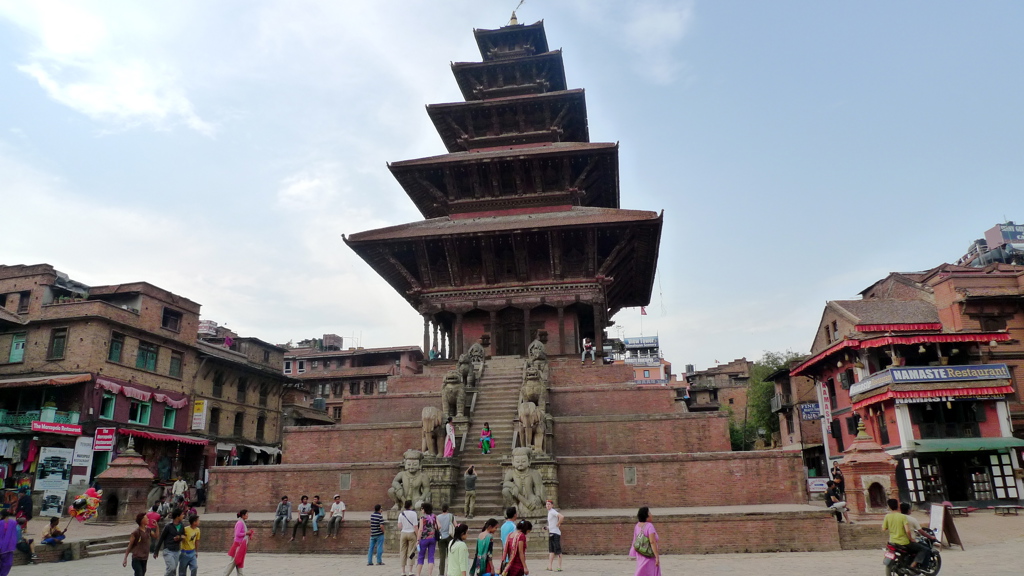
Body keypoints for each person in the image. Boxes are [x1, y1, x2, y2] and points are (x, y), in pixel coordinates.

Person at [894, 501, 931, 572]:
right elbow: (920, 531)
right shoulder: (911, 519)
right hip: (907, 541)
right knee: (925, 549)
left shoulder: (896, 518)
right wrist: (930, 537)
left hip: (895, 540)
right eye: (910, 509)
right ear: (908, 510)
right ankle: (916, 565)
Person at [153, 508, 184, 576]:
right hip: (168, 550)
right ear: (177, 516)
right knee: (171, 568)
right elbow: (161, 538)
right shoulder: (168, 526)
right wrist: (156, 551)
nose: (183, 516)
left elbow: (184, 536)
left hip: (177, 550)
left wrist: (179, 537)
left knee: (173, 571)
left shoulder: (181, 525)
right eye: (182, 514)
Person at [630, 507, 660, 576]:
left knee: (641, 571)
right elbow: (652, 541)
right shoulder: (649, 526)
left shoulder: (637, 525)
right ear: (646, 516)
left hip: (640, 553)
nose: (651, 515)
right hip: (649, 554)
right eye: (649, 513)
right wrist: (656, 556)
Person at [124, 512, 156, 576]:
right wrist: (125, 558)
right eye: (146, 518)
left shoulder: (148, 530)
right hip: (137, 558)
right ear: (142, 520)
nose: (148, 519)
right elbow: (130, 545)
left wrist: (156, 526)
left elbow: (156, 536)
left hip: (145, 558)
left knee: (142, 573)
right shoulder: (136, 532)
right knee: (139, 574)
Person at [224, 510, 253, 576]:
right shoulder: (240, 523)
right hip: (238, 545)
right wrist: (246, 533)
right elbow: (237, 534)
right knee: (234, 561)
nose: (247, 515)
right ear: (243, 515)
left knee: (239, 561)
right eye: (246, 514)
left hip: (241, 544)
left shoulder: (242, 522)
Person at [417, 502, 440, 576]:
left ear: (425, 509)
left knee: (421, 557)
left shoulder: (422, 518)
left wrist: (418, 540)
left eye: (422, 508)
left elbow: (420, 529)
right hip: (432, 539)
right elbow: (439, 526)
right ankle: (430, 574)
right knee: (431, 557)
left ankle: (418, 574)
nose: (421, 510)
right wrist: (432, 528)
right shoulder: (434, 516)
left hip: (424, 539)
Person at [398, 500, 419, 576]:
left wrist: (403, 529)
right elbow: (415, 526)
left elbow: (399, 526)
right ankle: (410, 570)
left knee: (403, 551)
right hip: (411, 533)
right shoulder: (414, 514)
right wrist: (418, 536)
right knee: (411, 552)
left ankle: (403, 571)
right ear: (411, 506)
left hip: (403, 533)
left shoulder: (401, 514)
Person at [544, 500, 564, 572]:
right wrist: (547, 527)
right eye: (547, 504)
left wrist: (558, 523)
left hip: (556, 533)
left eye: (549, 504)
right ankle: (550, 566)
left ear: (552, 505)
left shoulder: (553, 511)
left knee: (557, 550)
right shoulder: (550, 512)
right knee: (551, 550)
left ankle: (559, 566)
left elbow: (561, 516)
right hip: (551, 532)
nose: (548, 506)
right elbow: (552, 524)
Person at [1, 510, 22, 575]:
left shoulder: (1, 523)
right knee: (7, 564)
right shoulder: (13, 523)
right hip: (9, 547)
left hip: (2, 546)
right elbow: (16, 534)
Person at [436, 504, 455, 575]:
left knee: (442, 556)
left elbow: (436, 527)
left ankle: (441, 573)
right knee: (450, 555)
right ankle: (450, 571)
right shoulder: (451, 516)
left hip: (441, 537)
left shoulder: (438, 517)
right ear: (448, 509)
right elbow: (455, 525)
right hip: (449, 537)